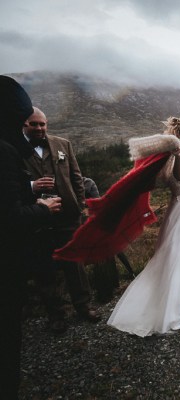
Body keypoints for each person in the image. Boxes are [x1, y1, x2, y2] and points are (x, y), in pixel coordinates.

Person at [106, 116, 180, 336]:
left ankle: (177, 309)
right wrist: (177, 156)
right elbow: (177, 177)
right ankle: (173, 317)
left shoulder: (178, 158)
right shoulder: (174, 158)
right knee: (175, 261)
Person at [0, 76, 62, 399]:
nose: (36, 128)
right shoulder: (6, 152)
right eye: (28, 121)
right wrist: (42, 208)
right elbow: (9, 218)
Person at [22, 106, 100, 333]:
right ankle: (56, 315)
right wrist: (32, 187)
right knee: (44, 267)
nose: (39, 128)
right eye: (34, 124)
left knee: (75, 263)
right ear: (24, 125)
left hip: (68, 217)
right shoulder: (14, 150)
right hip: (37, 219)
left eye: (42, 124)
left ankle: (83, 306)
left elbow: (76, 176)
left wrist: (80, 205)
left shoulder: (62, 144)